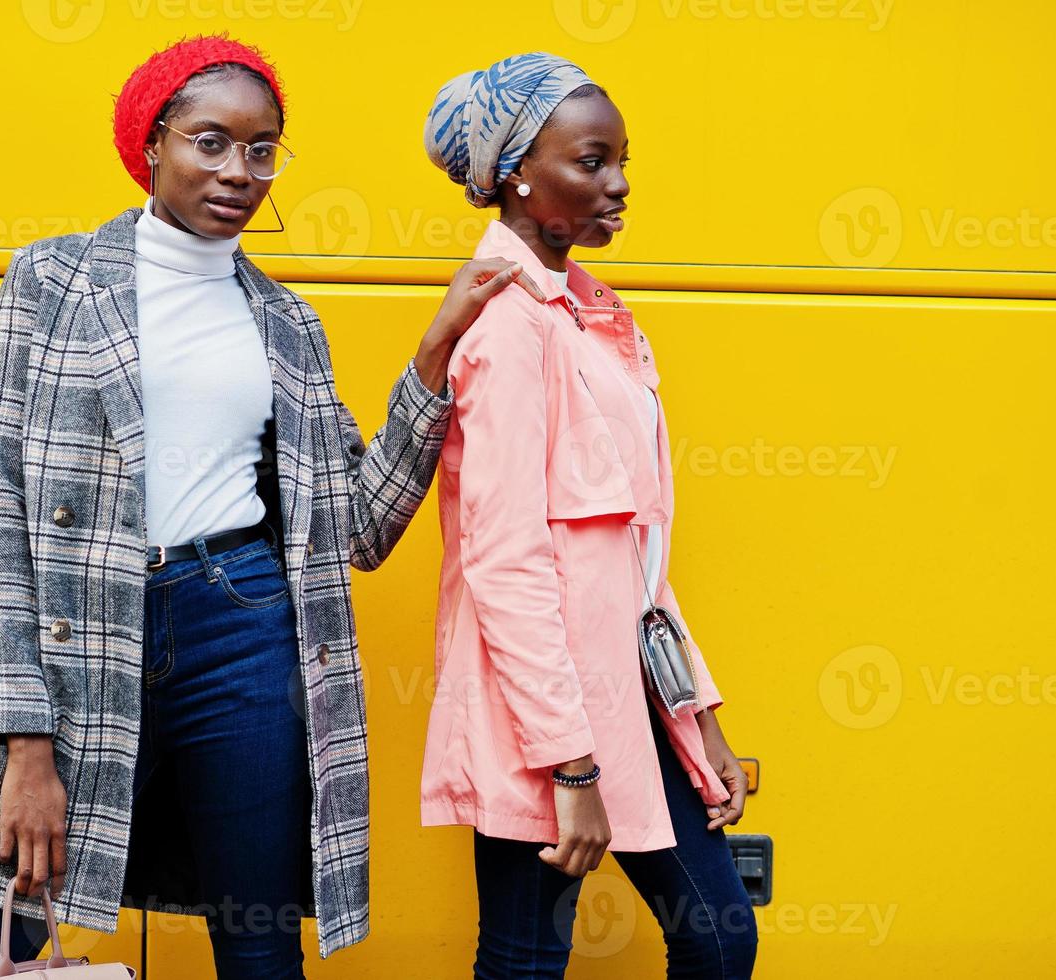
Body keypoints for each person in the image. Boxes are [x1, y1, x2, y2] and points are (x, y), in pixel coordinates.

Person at [0, 34, 543, 980]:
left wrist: (433, 352)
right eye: (210, 142)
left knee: (257, 939)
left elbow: (358, 531)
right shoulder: (54, 281)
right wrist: (22, 739)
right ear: (153, 143)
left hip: (243, 628)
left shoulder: (285, 321)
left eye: (261, 149)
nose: (238, 171)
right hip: (81, 631)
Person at [419, 53, 759, 978]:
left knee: (719, 933)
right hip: (544, 710)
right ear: (518, 175)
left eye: (621, 164)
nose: (618, 187)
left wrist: (698, 714)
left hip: (626, 685)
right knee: (528, 956)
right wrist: (568, 766)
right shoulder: (508, 324)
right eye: (592, 162)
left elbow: (632, 554)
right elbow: (504, 557)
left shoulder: (584, 315)